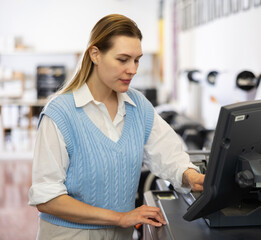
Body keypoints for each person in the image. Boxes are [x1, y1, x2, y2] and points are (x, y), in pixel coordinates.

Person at [28, 14, 205, 240]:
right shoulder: (60, 113)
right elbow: (47, 199)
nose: (132, 69)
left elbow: (169, 156)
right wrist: (120, 218)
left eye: (137, 60)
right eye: (123, 59)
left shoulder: (137, 106)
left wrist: (192, 177)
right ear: (95, 55)